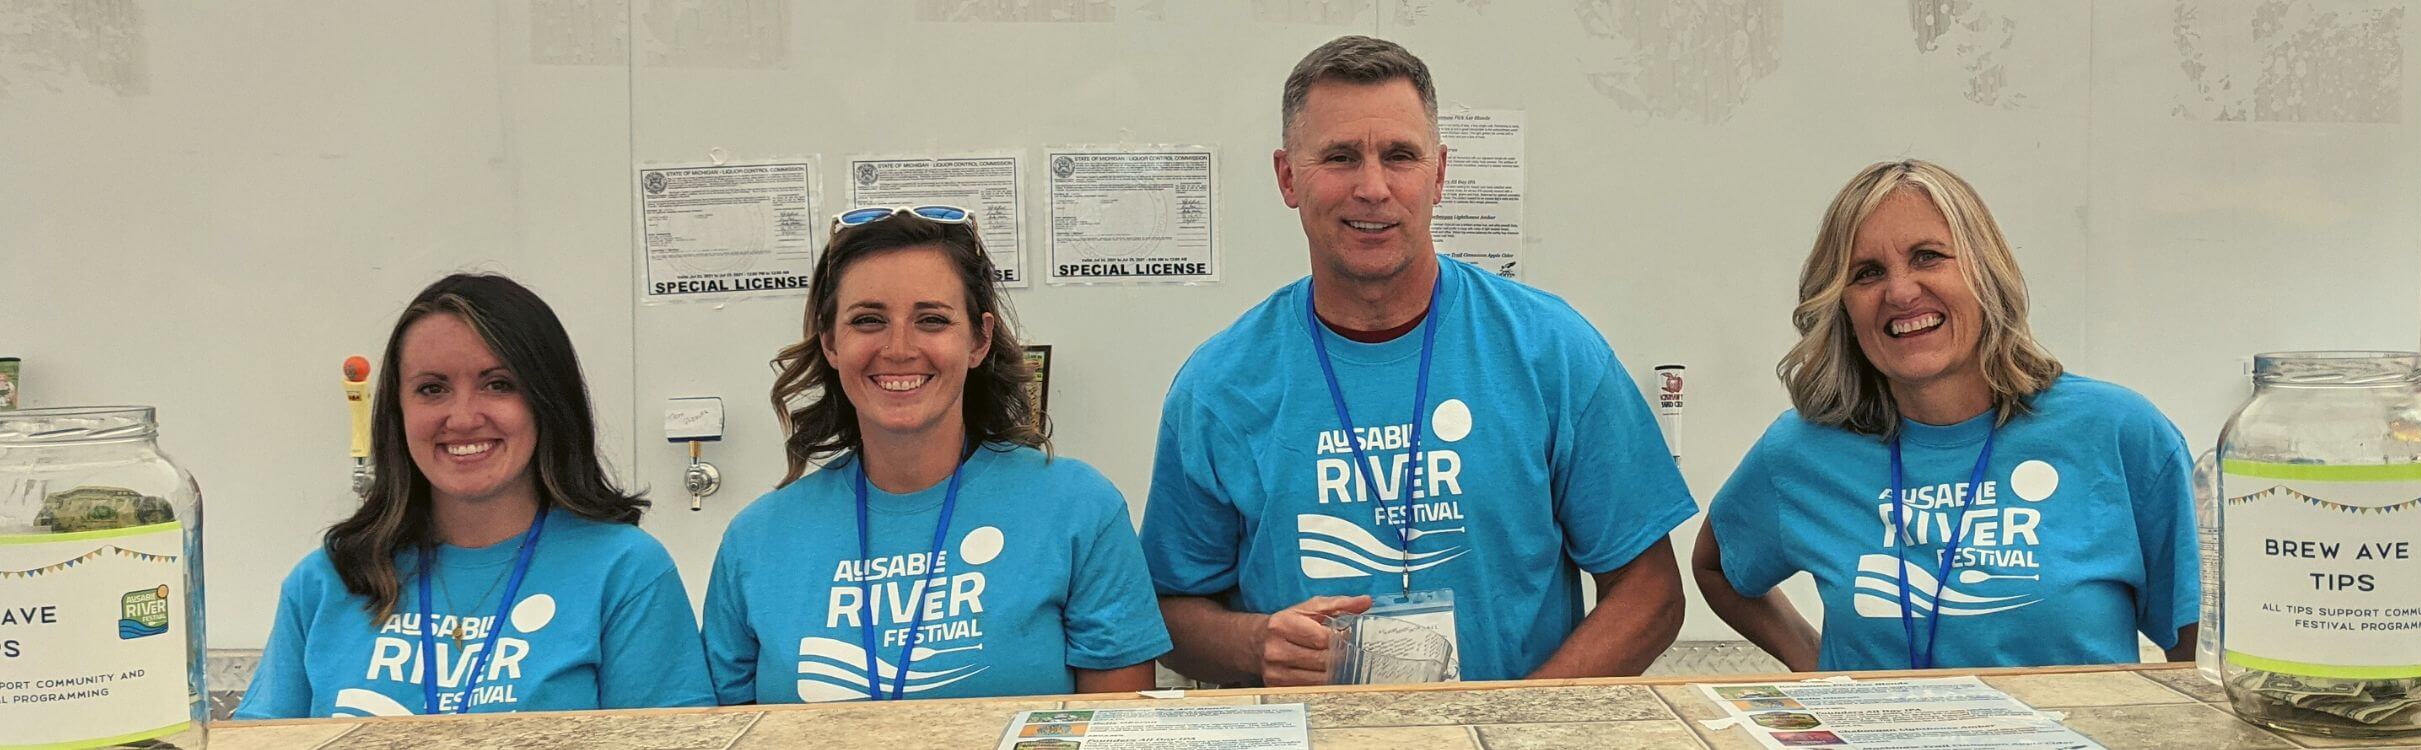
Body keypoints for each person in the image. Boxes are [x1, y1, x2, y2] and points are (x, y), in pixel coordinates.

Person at [1140, 35, 1697, 687]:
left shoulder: (1553, 352)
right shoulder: (1218, 386)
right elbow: (1166, 611)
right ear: (1288, 177)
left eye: (1400, 156)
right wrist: (1252, 645)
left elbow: (1652, 594)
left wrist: (1515, 723)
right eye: (1340, 157)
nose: (1372, 188)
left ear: (1438, 174)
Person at [1693, 159, 2198, 671]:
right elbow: (1717, 567)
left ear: (1986, 271)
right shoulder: (1801, 452)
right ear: (1841, 304)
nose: (1901, 292)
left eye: (1928, 257)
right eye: (1867, 274)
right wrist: (1819, 667)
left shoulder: (2118, 433)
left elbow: (2197, 647)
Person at [704, 206, 1169, 703]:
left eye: (931, 320)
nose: (899, 348)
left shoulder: (1078, 509)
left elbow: (1117, 730)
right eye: (867, 320)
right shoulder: (757, 540)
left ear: (979, 339)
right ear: (830, 342)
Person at [236, 274, 712, 718]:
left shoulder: (625, 572)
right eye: (432, 388)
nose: (462, 417)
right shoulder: (328, 578)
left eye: (498, 384)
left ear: (547, 401)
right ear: (397, 413)